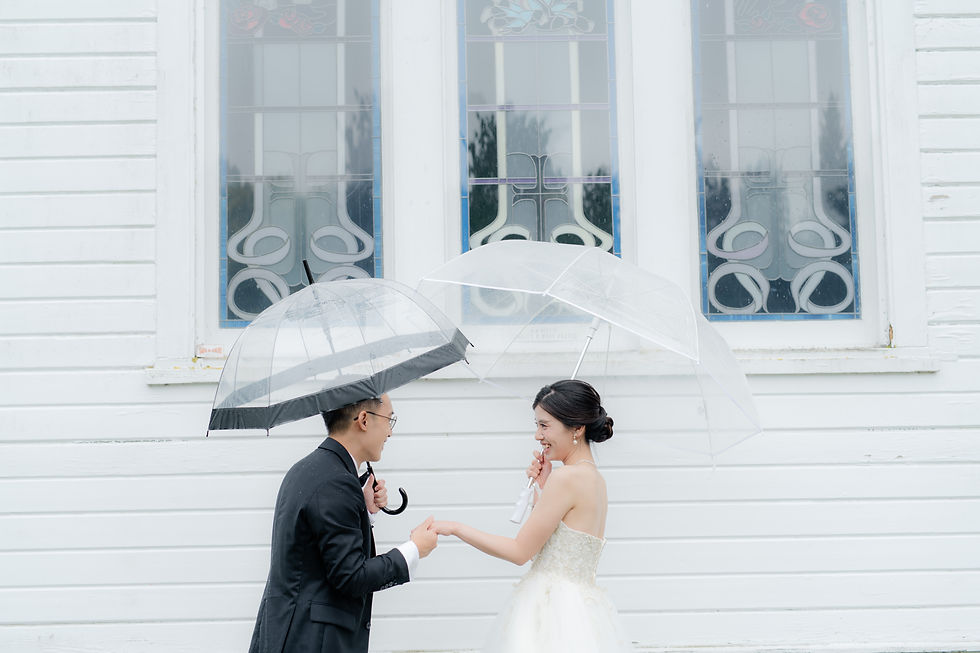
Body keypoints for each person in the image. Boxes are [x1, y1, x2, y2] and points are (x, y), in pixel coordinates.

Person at [432, 379, 631, 652]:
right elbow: (560, 540)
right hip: (583, 613)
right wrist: (543, 487)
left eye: (544, 425)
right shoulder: (595, 479)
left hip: (552, 611)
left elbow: (520, 552)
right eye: (537, 425)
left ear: (577, 428)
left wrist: (456, 528)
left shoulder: (567, 478)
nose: (538, 435)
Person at [249, 393, 438, 653]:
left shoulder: (307, 469)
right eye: (389, 420)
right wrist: (413, 550)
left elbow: (318, 554)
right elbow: (351, 576)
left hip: (289, 635)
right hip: (311, 642)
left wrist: (364, 511)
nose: (390, 433)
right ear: (364, 420)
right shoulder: (336, 481)